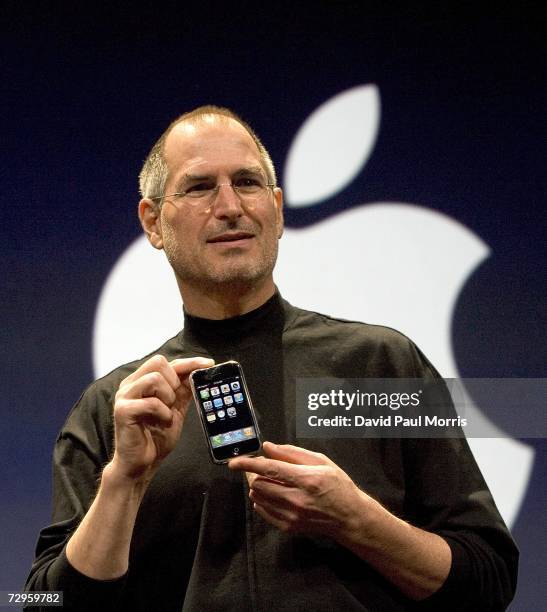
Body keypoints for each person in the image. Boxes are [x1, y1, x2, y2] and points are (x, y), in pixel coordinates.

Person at [26, 106, 518, 610]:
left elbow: (490, 579)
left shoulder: (381, 364)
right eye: (198, 187)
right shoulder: (115, 408)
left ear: (277, 210)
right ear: (152, 221)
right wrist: (123, 484)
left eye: (247, 182)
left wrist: (357, 522)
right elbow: (40, 602)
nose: (230, 206)